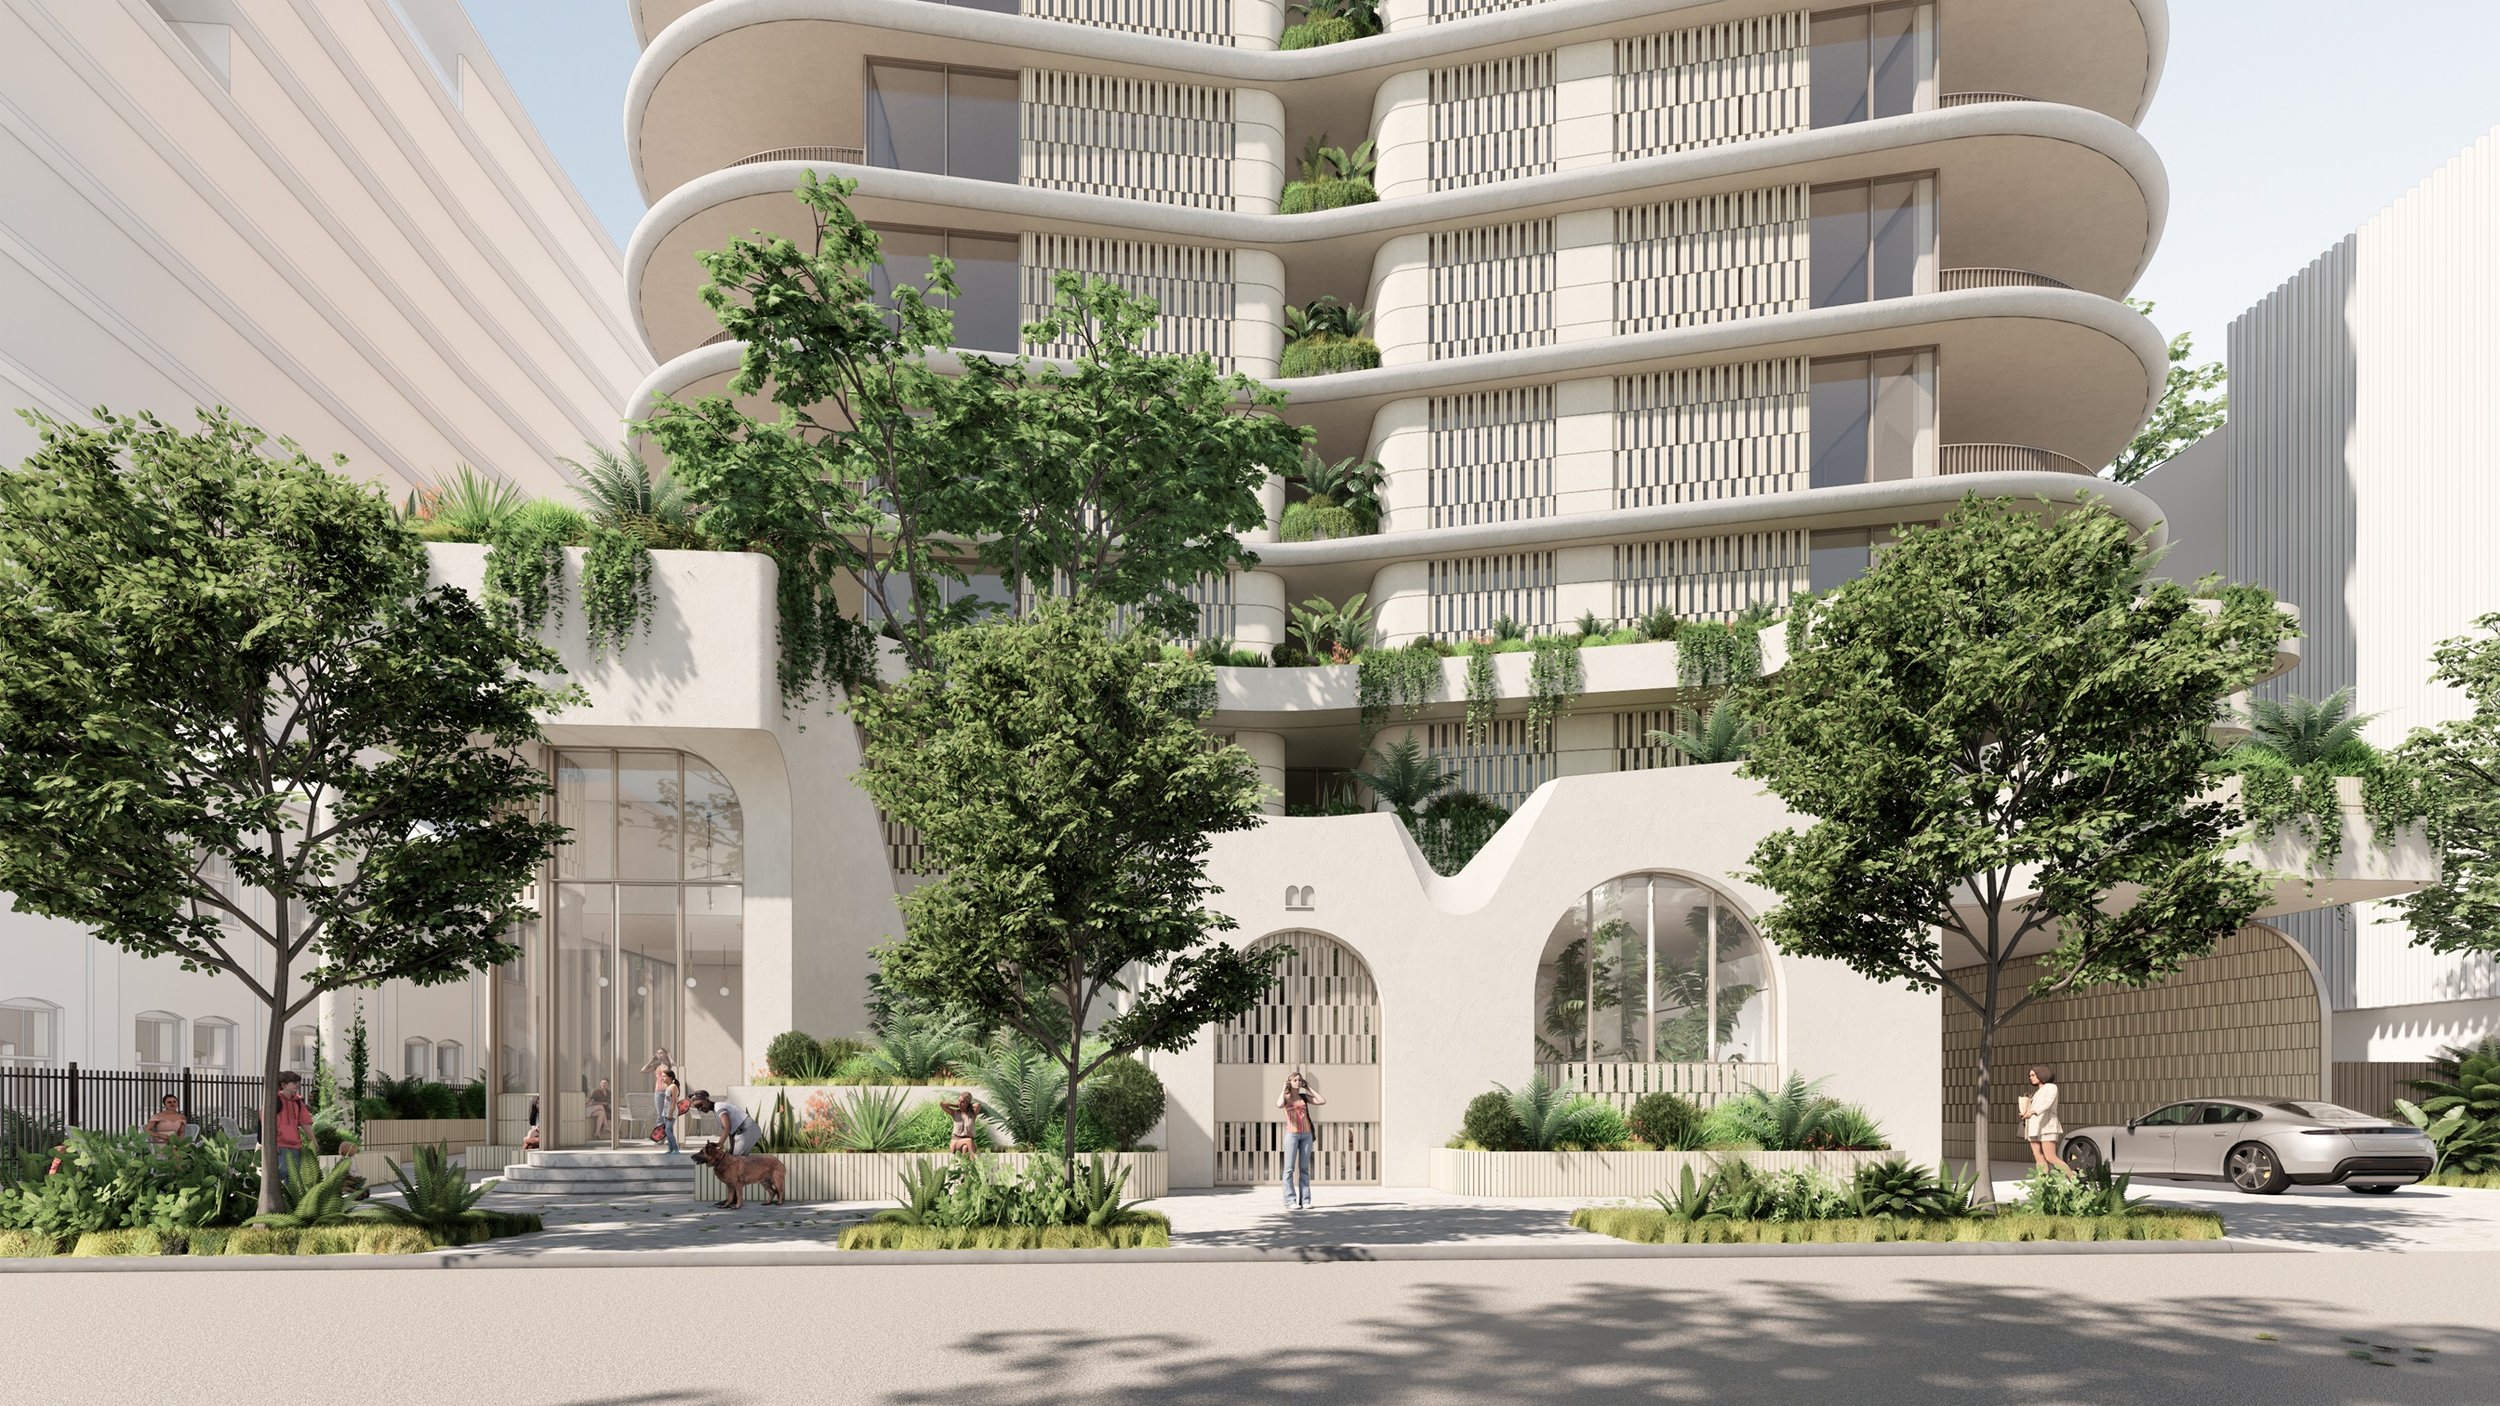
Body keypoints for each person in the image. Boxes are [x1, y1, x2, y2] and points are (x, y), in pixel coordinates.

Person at [1277, 1072, 1326, 1210]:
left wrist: (1308, 1088)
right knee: (1289, 1169)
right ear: (1290, 1082)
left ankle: (1305, 1201)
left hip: (1306, 1135)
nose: (1298, 1082)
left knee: (1304, 1169)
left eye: (1299, 1080)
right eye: (1295, 1080)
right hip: (1292, 1135)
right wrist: (1283, 1088)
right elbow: (1279, 1104)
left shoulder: (1303, 1097)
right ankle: (1290, 1201)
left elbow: (1322, 1101)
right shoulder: (1286, 1097)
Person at [2018, 1066, 2068, 1172]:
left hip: (2047, 1126)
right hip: (2034, 1127)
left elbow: (2047, 1103)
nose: (2030, 1077)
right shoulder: (2037, 1092)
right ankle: (2043, 1180)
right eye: (2030, 1075)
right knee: (2038, 1157)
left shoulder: (2051, 1087)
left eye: (2033, 1075)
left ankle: (2072, 1178)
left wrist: (2032, 1112)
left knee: (2051, 1157)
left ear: (2041, 1074)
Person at [271, 1071, 315, 1179]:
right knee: (282, 1172)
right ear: (284, 1084)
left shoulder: (298, 1102)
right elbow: (266, 1123)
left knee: (294, 1178)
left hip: (295, 1145)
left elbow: (305, 1123)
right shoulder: (274, 1101)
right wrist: (272, 1143)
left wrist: (314, 1140)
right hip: (279, 1144)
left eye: (298, 1082)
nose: (297, 1085)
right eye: (294, 1082)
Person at [689, 1091, 759, 1156]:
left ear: (707, 1100)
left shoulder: (719, 1107)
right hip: (743, 1131)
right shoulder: (716, 1110)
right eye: (697, 1107)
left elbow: (727, 1128)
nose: (700, 1109)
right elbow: (731, 1133)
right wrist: (731, 1150)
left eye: (700, 1105)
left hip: (746, 1130)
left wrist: (720, 1143)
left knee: (736, 1160)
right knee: (736, 1158)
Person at [939, 1091, 984, 1156]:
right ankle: (974, 1160)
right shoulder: (954, 1113)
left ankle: (965, 1162)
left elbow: (978, 1105)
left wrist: (969, 1106)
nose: (960, 1103)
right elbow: (941, 1104)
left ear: (968, 1103)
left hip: (968, 1144)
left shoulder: (972, 1114)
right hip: (956, 1142)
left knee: (965, 1148)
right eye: (959, 1100)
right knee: (969, 1140)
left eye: (963, 1102)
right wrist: (956, 1105)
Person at [653, 1066, 684, 1153]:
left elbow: (674, 1101)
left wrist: (670, 1113)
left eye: (664, 1076)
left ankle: (676, 1149)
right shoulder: (668, 1087)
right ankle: (670, 1149)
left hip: (671, 1112)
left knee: (667, 1130)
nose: (662, 1078)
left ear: (670, 1077)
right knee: (669, 1130)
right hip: (665, 1112)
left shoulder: (673, 1087)